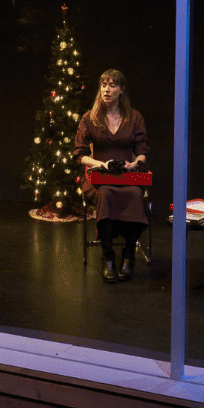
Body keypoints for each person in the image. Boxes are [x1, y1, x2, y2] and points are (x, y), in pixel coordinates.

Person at [74, 69, 149, 283]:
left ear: (122, 90)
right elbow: (79, 155)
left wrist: (134, 164)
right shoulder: (90, 118)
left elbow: (142, 152)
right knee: (105, 194)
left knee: (135, 194)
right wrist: (100, 164)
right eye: (103, 85)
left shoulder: (134, 117)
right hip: (98, 177)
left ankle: (128, 255)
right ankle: (107, 256)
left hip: (126, 176)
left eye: (112, 85)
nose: (106, 89)